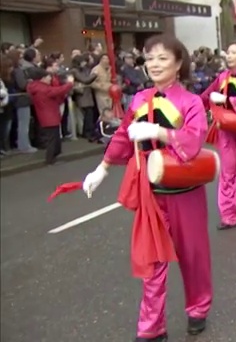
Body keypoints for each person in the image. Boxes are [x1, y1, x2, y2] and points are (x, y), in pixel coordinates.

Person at [81, 34, 212, 342]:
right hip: (151, 193)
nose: (154, 64)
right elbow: (124, 136)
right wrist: (102, 168)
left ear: (179, 64)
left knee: (192, 256)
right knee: (151, 261)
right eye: (150, 58)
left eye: (162, 58)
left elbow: (194, 142)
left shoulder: (191, 102)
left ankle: (198, 308)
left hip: (185, 192)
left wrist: (159, 132)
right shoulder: (139, 100)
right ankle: (151, 328)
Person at [200, 41, 236, 230]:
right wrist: (187, 107)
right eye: (228, 52)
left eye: (233, 52)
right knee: (227, 172)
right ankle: (228, 216)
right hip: (225, 129)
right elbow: (205, 95)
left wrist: (225, 99)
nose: (229, 55)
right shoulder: (222, 77)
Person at [26, 68, 74, 165]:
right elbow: (58, 90)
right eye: (48, 77)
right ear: (42, 78)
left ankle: (54, 156)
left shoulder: (35, 87)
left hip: (47, 115)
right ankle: (50, 159)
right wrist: (69, 83)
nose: (50, 79)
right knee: (52, 139)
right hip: (50, 116)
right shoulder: (43, 89)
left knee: (54, 137)